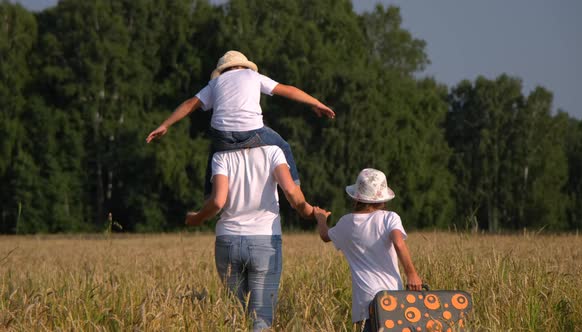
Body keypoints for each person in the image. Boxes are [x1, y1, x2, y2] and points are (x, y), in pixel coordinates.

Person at [146, 50, 335, 196]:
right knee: (283, 145)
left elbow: (189, 105)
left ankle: (208, 197)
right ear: (243, 66)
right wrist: (316, 103)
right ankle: (296, 191)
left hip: (222, 137)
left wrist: (165, 125)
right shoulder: (253, 76)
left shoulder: (215, 83)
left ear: (223, 70)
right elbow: (288, 90)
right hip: (252, 133)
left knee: (214, 155)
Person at [185, 144, 319, 331]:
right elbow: (290, 191)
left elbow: (218, 201)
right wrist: (309, 212)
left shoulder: (221, 154)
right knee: (261, 320)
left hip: (227, 241)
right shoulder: (273, 151)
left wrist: (197, 218)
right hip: (264, 241)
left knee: (234, 318)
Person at [313, 168, 423, 332]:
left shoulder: (345, 223)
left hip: (365, 304)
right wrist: (412, 274)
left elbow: (325, 235)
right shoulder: (389, 218)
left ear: (357, 197)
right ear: (382, 199)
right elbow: (399, 243)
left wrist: (321, 218)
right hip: (392, 300)